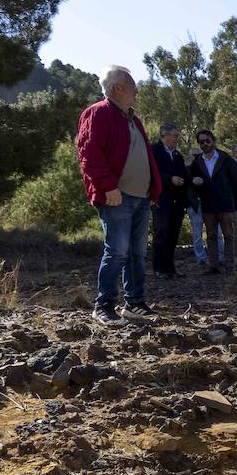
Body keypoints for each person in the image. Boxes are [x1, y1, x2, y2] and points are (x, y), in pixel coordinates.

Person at [76, 65, 162, 327]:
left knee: (137, 252)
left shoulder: (132, 119)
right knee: (117, 252)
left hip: (140, 197)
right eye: (133, 86)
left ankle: (134, 303)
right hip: (117, 197)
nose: (137, 91)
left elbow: (143, 156)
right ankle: (103, 306)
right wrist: (108, 187)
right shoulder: (98, 113)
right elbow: (89, 155)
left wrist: (153, 189)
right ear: (118, 88)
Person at [190, 129, 237, 275]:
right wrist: (193, 182)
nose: (205, 144)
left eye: (207, 141)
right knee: (211, 236)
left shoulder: (226, 159)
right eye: (201, 142)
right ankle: (213, 265)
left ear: (213, 140)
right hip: (208, 205)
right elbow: (190, 181)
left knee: (228, 235)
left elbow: (236, 181)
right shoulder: (197, 162)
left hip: (226, 204)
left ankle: (230, 265)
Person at [150, 123, 188, 279]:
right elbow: (153, 173)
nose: (177, 139)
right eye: (174, 135)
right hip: (161, 198)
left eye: (178, 136)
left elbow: (184, 174)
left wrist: (190, 179)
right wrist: (170, 179)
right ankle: (159, 269)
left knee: (173, 234)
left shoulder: (177, 155)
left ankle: (170, 268)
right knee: (161, 233)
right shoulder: (153, 151)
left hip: (177, 201)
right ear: (164, 135)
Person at [185, 146, 206, 265]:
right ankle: (201, 258)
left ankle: (219, 257)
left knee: (216, 233)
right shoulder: (186, 170)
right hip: (193, 204)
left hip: (208, 204)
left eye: (199, 155)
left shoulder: (206, 168)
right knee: (197, 233)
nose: (196, 158)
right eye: (194, 155)